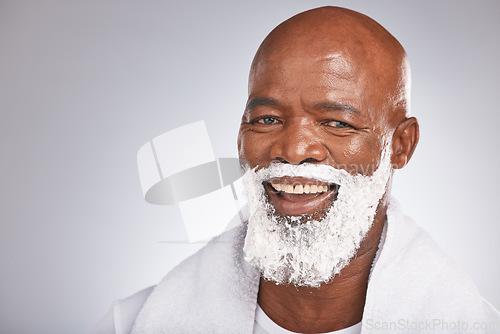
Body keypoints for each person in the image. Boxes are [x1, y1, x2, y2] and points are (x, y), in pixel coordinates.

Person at [93, 6, 500, 334]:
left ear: (400, 145)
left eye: (337, 123)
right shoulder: (133, 324)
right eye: (267, 119)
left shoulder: (469, 325)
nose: (292, 150)